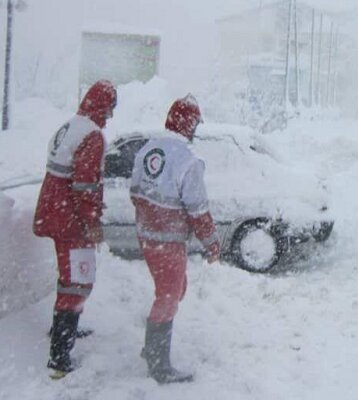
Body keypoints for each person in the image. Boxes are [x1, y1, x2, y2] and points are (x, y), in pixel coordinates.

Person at [129, 94, 220, 384]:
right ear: (189, 125)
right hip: (167, 241)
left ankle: (152, 347)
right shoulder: (188, 161)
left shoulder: (148, 149)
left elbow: (135, 191)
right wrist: (211, 243)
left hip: (147, 237)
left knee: (176, 289)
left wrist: (150, 218)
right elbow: (198, 209)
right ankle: (158, 364)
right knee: (168, 296)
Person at [32, 80, 117, 378]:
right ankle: (59, 357)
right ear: (102, 106)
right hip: (71, 218)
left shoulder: (70, 125)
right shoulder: (93, 136)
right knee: (78, 280)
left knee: (68, 275)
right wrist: (92, 223)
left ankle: (61, 327)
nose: (110, 116)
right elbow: (85, 186)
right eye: (110, 108)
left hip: (53, 211)